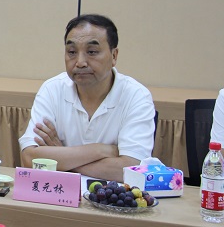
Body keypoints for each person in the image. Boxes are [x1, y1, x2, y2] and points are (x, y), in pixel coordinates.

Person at [19, 14, 155, 182]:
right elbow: (29, 158)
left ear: (114, 56)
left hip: (110, 197)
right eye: (72, 52)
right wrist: (100, 150)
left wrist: (63, 157)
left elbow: (131, 169)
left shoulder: (136, 96)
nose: (80, 62)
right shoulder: (52, 89)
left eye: (92, 52)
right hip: (60, 194)